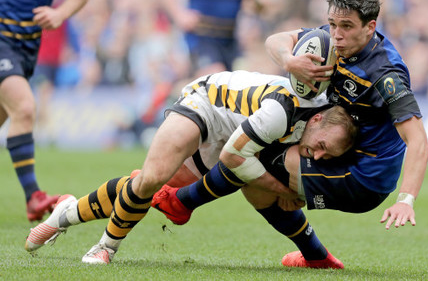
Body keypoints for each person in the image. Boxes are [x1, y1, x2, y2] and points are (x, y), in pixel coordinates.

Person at [150, 0, 428, 268]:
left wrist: (406, 199)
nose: (337, 34)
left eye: (346, 26)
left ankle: (183, 202)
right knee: (254, 168)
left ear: (370, 28)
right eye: (333, 24)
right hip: (338, 151)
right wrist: (289, 60)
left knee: (250, 154)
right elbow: (276, 39)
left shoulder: (385, 75)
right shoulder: (332, 40)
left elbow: (417, 140)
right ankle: (316, 257)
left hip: (363, 176)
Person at [24, 70, 357, 264]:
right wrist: (284, 189)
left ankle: (65, 213)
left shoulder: (322, 115)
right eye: (323, 147)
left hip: (235, 134)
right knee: (152, 179)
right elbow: (232, 159)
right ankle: (106, 248)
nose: (319, 155)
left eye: (327, 156)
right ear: (316, 119)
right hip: (208, 103)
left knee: (148, 187)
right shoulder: (283, 112)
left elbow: (239, 155)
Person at [0, 0, 91, 222]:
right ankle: (33, 196)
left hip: (28, 47)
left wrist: (60, 13)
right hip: (2, 41)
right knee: (25, 108)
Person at [158, 0, 266, 78]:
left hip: (232, 39)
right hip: (202, 37)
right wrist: (179, 14)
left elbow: (262, 6)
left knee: (243, 80)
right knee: (215, 76)